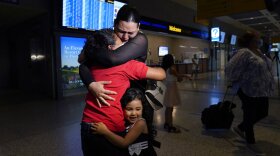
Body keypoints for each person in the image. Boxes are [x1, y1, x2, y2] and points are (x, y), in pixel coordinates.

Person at [79, 4, 158, 149]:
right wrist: (90, 84)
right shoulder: (109, 38)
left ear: (138, 28)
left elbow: (111, 59)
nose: (126, 37)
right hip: (116, 102)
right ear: (115, 24)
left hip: (134, 100)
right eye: (121, 31)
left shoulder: (140, 39)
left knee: (138, 146)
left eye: (131, 33)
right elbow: (82, 65)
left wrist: (90, 49)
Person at [225, 31, 274, 155]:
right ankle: (250, 141)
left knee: (263, 112)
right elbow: (230, 68)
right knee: (250, 114)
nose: (260, 40)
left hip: (261, 90)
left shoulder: (259, 53)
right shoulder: (244, 52)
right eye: (258, 38)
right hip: (248, 89)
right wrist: (237, 79)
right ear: (251, 40)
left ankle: (241, 128)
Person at [92, 88, 157, 156]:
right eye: (129, 109)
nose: (133, 113)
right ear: (122, 108)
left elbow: (124, 143)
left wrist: (105, 132)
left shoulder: (140, 123)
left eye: (138, 109)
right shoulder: (126, 123)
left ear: (143, 109)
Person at [161, 54, 191, 133]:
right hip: (171, 89)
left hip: (168, 88)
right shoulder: (171, 68)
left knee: (168, 107)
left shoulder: (165, 68)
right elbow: (178, 75)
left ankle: (167, 123)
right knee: (170, 108)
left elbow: (175, 78)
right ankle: (170, 125)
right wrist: (187, 76)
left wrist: (179, 78)